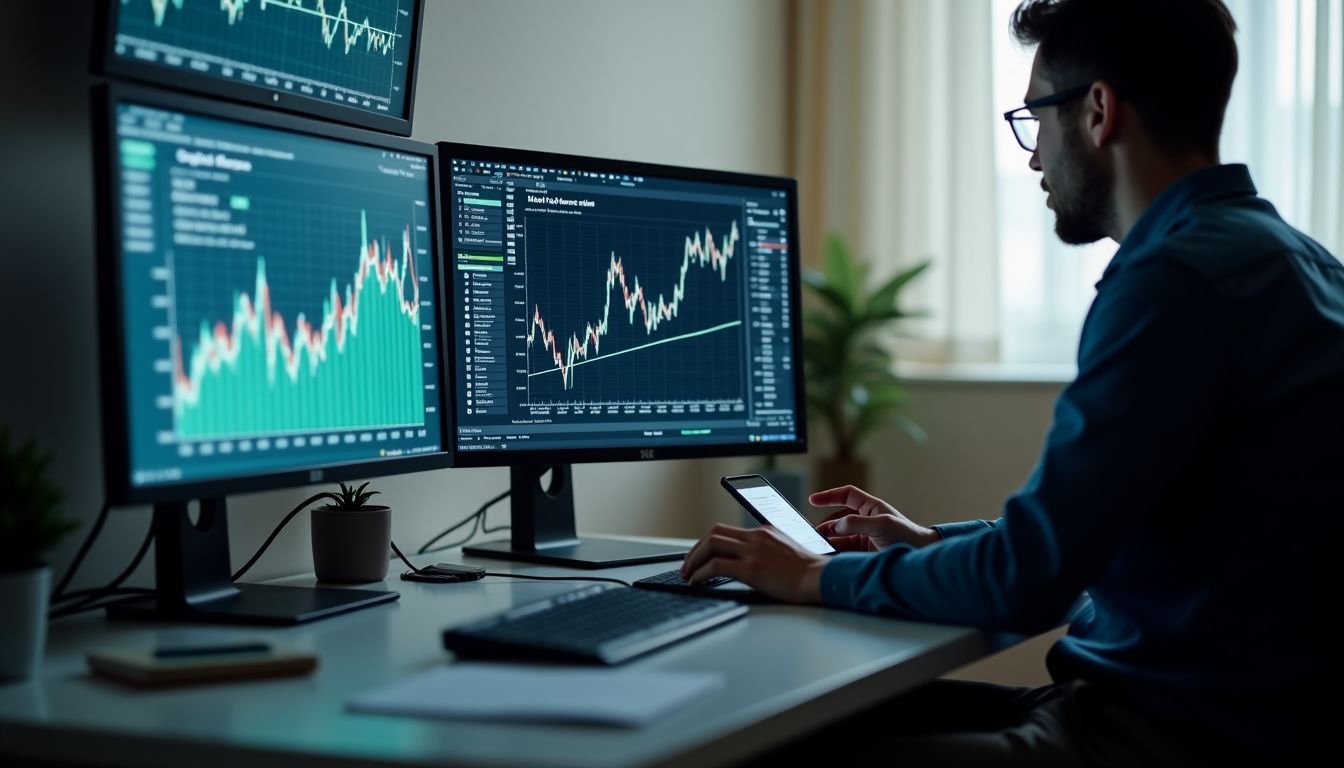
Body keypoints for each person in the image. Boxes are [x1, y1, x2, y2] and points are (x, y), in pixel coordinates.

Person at [682, 0, 1343, 765]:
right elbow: (1097, 540)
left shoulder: (1175, 280)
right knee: (806, 720)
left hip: (1166, 733)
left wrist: (814, 577)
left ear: (1098, 111)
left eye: (1035, 118)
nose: (1031, 157)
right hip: (1217, 713)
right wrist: (930, 542)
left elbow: (1028, 582)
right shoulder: (1296, 261)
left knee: (756, 742)